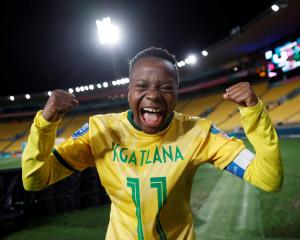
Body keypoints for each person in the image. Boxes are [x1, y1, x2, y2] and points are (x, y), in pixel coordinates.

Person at [22, 47, 283, 240]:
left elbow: (269, 179)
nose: (154, 96)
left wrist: (253, 112)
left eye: (166, 87)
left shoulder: (199, 132)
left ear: (178, 92)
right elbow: (35, 180)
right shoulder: (100, 130)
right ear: (129, 92)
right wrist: (45, 123)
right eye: (142, 86)